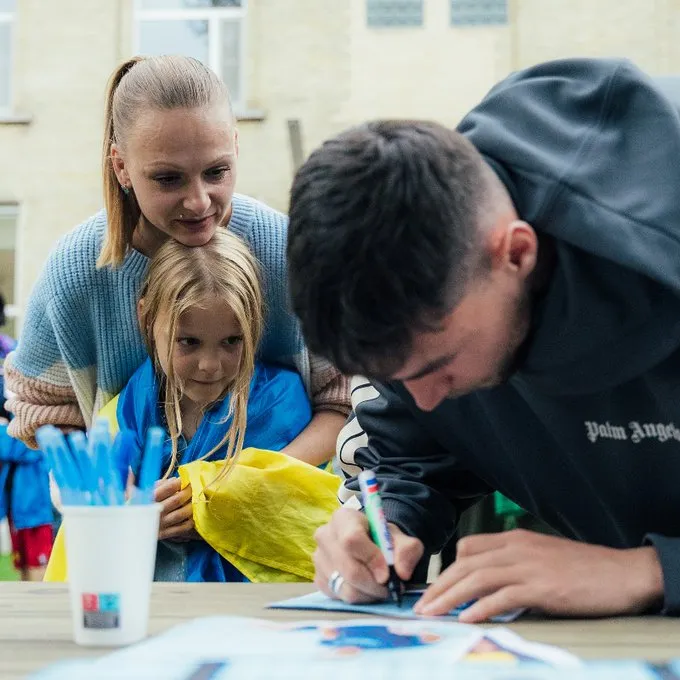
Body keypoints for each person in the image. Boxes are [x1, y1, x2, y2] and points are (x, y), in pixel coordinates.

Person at [286, 57, 680, 620]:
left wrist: (647, 571)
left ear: (516, 254)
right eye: (396, 377)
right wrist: (387, 522)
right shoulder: (429, 286)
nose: (423, 398)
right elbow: (411, 451)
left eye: (438, 366)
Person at [5, 55, 349, 466]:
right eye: (168, 178)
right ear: (122, 167)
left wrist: (254, 484)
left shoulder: (289, 250)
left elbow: (344, 397)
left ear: (236, 147)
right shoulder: (75, 270)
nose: (199, 201)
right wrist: (128, 499)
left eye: (217, 171)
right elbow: (43, 412)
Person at [46, 229, 341, 583]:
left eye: (232, 341)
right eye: (188, 342)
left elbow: (290, 501)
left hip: (249, 609)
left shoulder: (279, 400)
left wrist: (215, 504)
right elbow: (102, 501)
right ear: (147, 319)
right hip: (153, 606)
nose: (210, 365)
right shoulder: (128, 408)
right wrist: (133, 517)